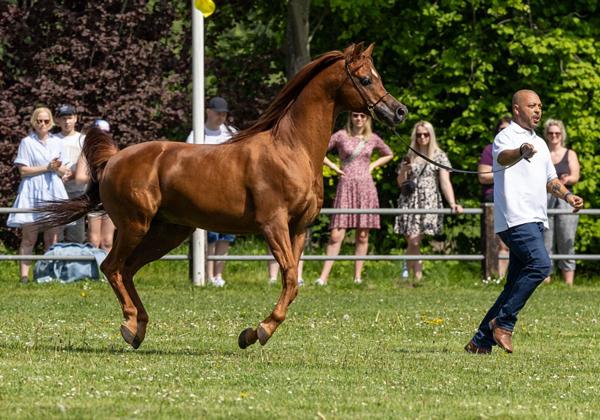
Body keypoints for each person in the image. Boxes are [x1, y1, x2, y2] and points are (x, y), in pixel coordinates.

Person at [465, 90, 584, 355]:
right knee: (541, 265)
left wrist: (567, 195)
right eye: (532, 106)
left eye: (540, 106)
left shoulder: (540, 143)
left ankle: (480, 341)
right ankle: (504, 324)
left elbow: (550, 180)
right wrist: (520, 151)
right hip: (515, 218)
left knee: (515, 283)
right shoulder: (505, 137)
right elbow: (503, 158)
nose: (537, 111)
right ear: (517, 109)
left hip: (536, 219)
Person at [314, 112, 393, 285]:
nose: (359, 119)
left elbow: (388, 153)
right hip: (346, 185)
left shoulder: (372, 138)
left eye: (363, 116)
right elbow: (318, 149)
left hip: (365, 187)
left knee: (363, 235)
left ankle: (357, 277)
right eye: (356, 115)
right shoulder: (341, 136)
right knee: (336, 234)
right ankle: (323, 277)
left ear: (367, 119)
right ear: (351, 117)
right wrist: (333, 166)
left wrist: (373, 165)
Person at [394, 121, 464, 281]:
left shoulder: (439, 155)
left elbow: (445, 182)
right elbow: (400, 182)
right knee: (413, 241)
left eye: (426, 134)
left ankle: (408, 274)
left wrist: (452, 203)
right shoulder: (410, 154)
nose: (422, 137)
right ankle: (415, 277)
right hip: (409, 201)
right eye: (419, 135)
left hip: (429, 201)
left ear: (431, 135)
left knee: (415, 240)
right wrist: (405, 169)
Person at [7, 107, 70, 283]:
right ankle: (24, 277)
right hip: (32, 190)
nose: (42, 124)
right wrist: (47, 167)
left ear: (51, 123)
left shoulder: (57, 142)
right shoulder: (27, 142)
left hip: (53, 189)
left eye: (46, 121)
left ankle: (49, 275)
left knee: (52, 238)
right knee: (29, 237)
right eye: (39, 121)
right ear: (34, 122)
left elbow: (62, 168)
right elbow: (23, 171)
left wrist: (61, 170)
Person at [187, 97, 237, 286]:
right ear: (208, 112)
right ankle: (206, 274)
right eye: (218, 113)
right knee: (210, 235)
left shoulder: (232, 133)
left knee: (226, 235)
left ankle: (218, 275)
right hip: (206, 189)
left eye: (224, 114)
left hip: (230, 189)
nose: (221, 117)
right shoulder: (197, 134)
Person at [543, 119, 580, 286]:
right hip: (545, 197)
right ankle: (545, 280)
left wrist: (566, 179)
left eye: (557, 133)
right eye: (551, 133)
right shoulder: (542, 152)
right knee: (545, 240)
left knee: (566, 238)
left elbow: (575, 176)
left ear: (561, 134)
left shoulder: (569, 154)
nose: (554, 136)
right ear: (546, 134)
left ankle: (568, 283)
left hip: (566, 198)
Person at [478, 116, 512, 278]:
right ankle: (497, 277)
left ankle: (508, 277)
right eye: (501, 129)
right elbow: (483, 176)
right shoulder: (489, 150)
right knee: (497, 242)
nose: (504, 132)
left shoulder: (521, 150)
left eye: (508, 129)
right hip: (494, 198)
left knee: (512, 243)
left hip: (516, 199)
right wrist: (507, 173)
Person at [74, 119, 115, 252]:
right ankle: (93, 270)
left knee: (108, 241)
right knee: (94, 239)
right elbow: (79, 178)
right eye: (99, 132)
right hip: (94, 198)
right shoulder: (87, 153)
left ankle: (107, 272)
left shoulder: (113, 152)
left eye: (105, 133)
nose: (102, 136)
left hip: (110, 199)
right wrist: (96, 177)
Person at [55, 104, 86, 243]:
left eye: (70, 118)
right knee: (56, 234)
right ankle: (55, 263)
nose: (67, 121)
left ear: (75, 119)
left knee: (76, 234)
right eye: (63, 118)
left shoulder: (83, 140)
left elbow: (88, 166)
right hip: (56, 191)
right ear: (57, 120)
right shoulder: (52, 139)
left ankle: (75, 263)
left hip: (78, 192)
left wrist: (73, 175)